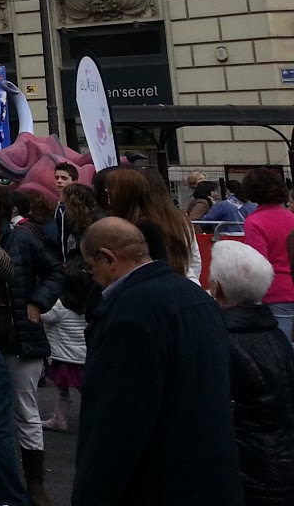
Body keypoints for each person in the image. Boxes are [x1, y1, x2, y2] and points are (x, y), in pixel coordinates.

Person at [72, 217, 240, 506]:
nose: (92, 277)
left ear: (108, 257)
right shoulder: (195, 296)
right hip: (211, 473)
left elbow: (115, 421)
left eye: (90, 267)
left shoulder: (130, 313)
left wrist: (91, 494)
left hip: (158, 480)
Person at [0, 185, 63, 506]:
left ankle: (35, 483)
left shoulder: (21, 238)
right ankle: (4, 483)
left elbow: (56, 271)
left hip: (19, 335)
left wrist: (38, 301)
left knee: (25, 410)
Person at [208, 240, 294, 506]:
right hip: (279, 460)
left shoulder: (220, 342)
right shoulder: (277, 336)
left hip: (249, 469)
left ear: (217, 288)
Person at [96, 165, 200, 281]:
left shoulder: (144, 226)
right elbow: (195, 258)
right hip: (185, 280)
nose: (108, 193)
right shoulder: (180, 218)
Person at [241, 167, 294, 340]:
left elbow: (259, 265)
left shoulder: (254, 222)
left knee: (281, 347)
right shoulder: (291, 217)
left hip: (275, 292)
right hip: (291, 286)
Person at [40, 263, 90, 434]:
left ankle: (59, 419)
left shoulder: (60, 305)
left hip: (64, 356)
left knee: (63, 391)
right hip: (83, 356)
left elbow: (46, 318)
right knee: (86, 390)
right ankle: (95, 415)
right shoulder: (88, 305)